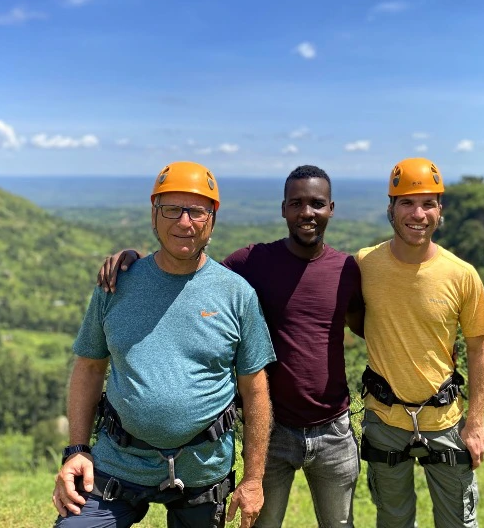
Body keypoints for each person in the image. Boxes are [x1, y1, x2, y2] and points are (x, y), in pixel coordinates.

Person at [99, 165, 365, 528]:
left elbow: (366, 325)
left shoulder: (347, 270)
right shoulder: (253, 262)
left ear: (331, 209)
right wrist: (134, 261)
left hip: (334, 429)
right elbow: (191, 270)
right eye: (296, 203)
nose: (307, 212)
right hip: (273, 432)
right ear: (283, 209)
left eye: (317, 204)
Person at [52, 161, 276, 528]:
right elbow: (89, 367)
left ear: (212, 219)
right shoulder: (116, 285)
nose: (185, 222)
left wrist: (253, 480)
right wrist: (77, 450)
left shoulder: (236, 295)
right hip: (119, 463)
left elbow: (256, 390)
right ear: (153, 214)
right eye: (172, 209)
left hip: (203, 469)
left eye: (197, 211)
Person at [356, 157, 484, 528]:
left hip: (445, 420)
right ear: (391, 208)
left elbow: (480, 348)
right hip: (385, 418)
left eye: (428, 204)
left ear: (440, 210)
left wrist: (476, 423)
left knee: (458, 523)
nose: (418, 214)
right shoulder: (365, 265)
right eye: (407, 203)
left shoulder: (461, 275)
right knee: (393, 521)